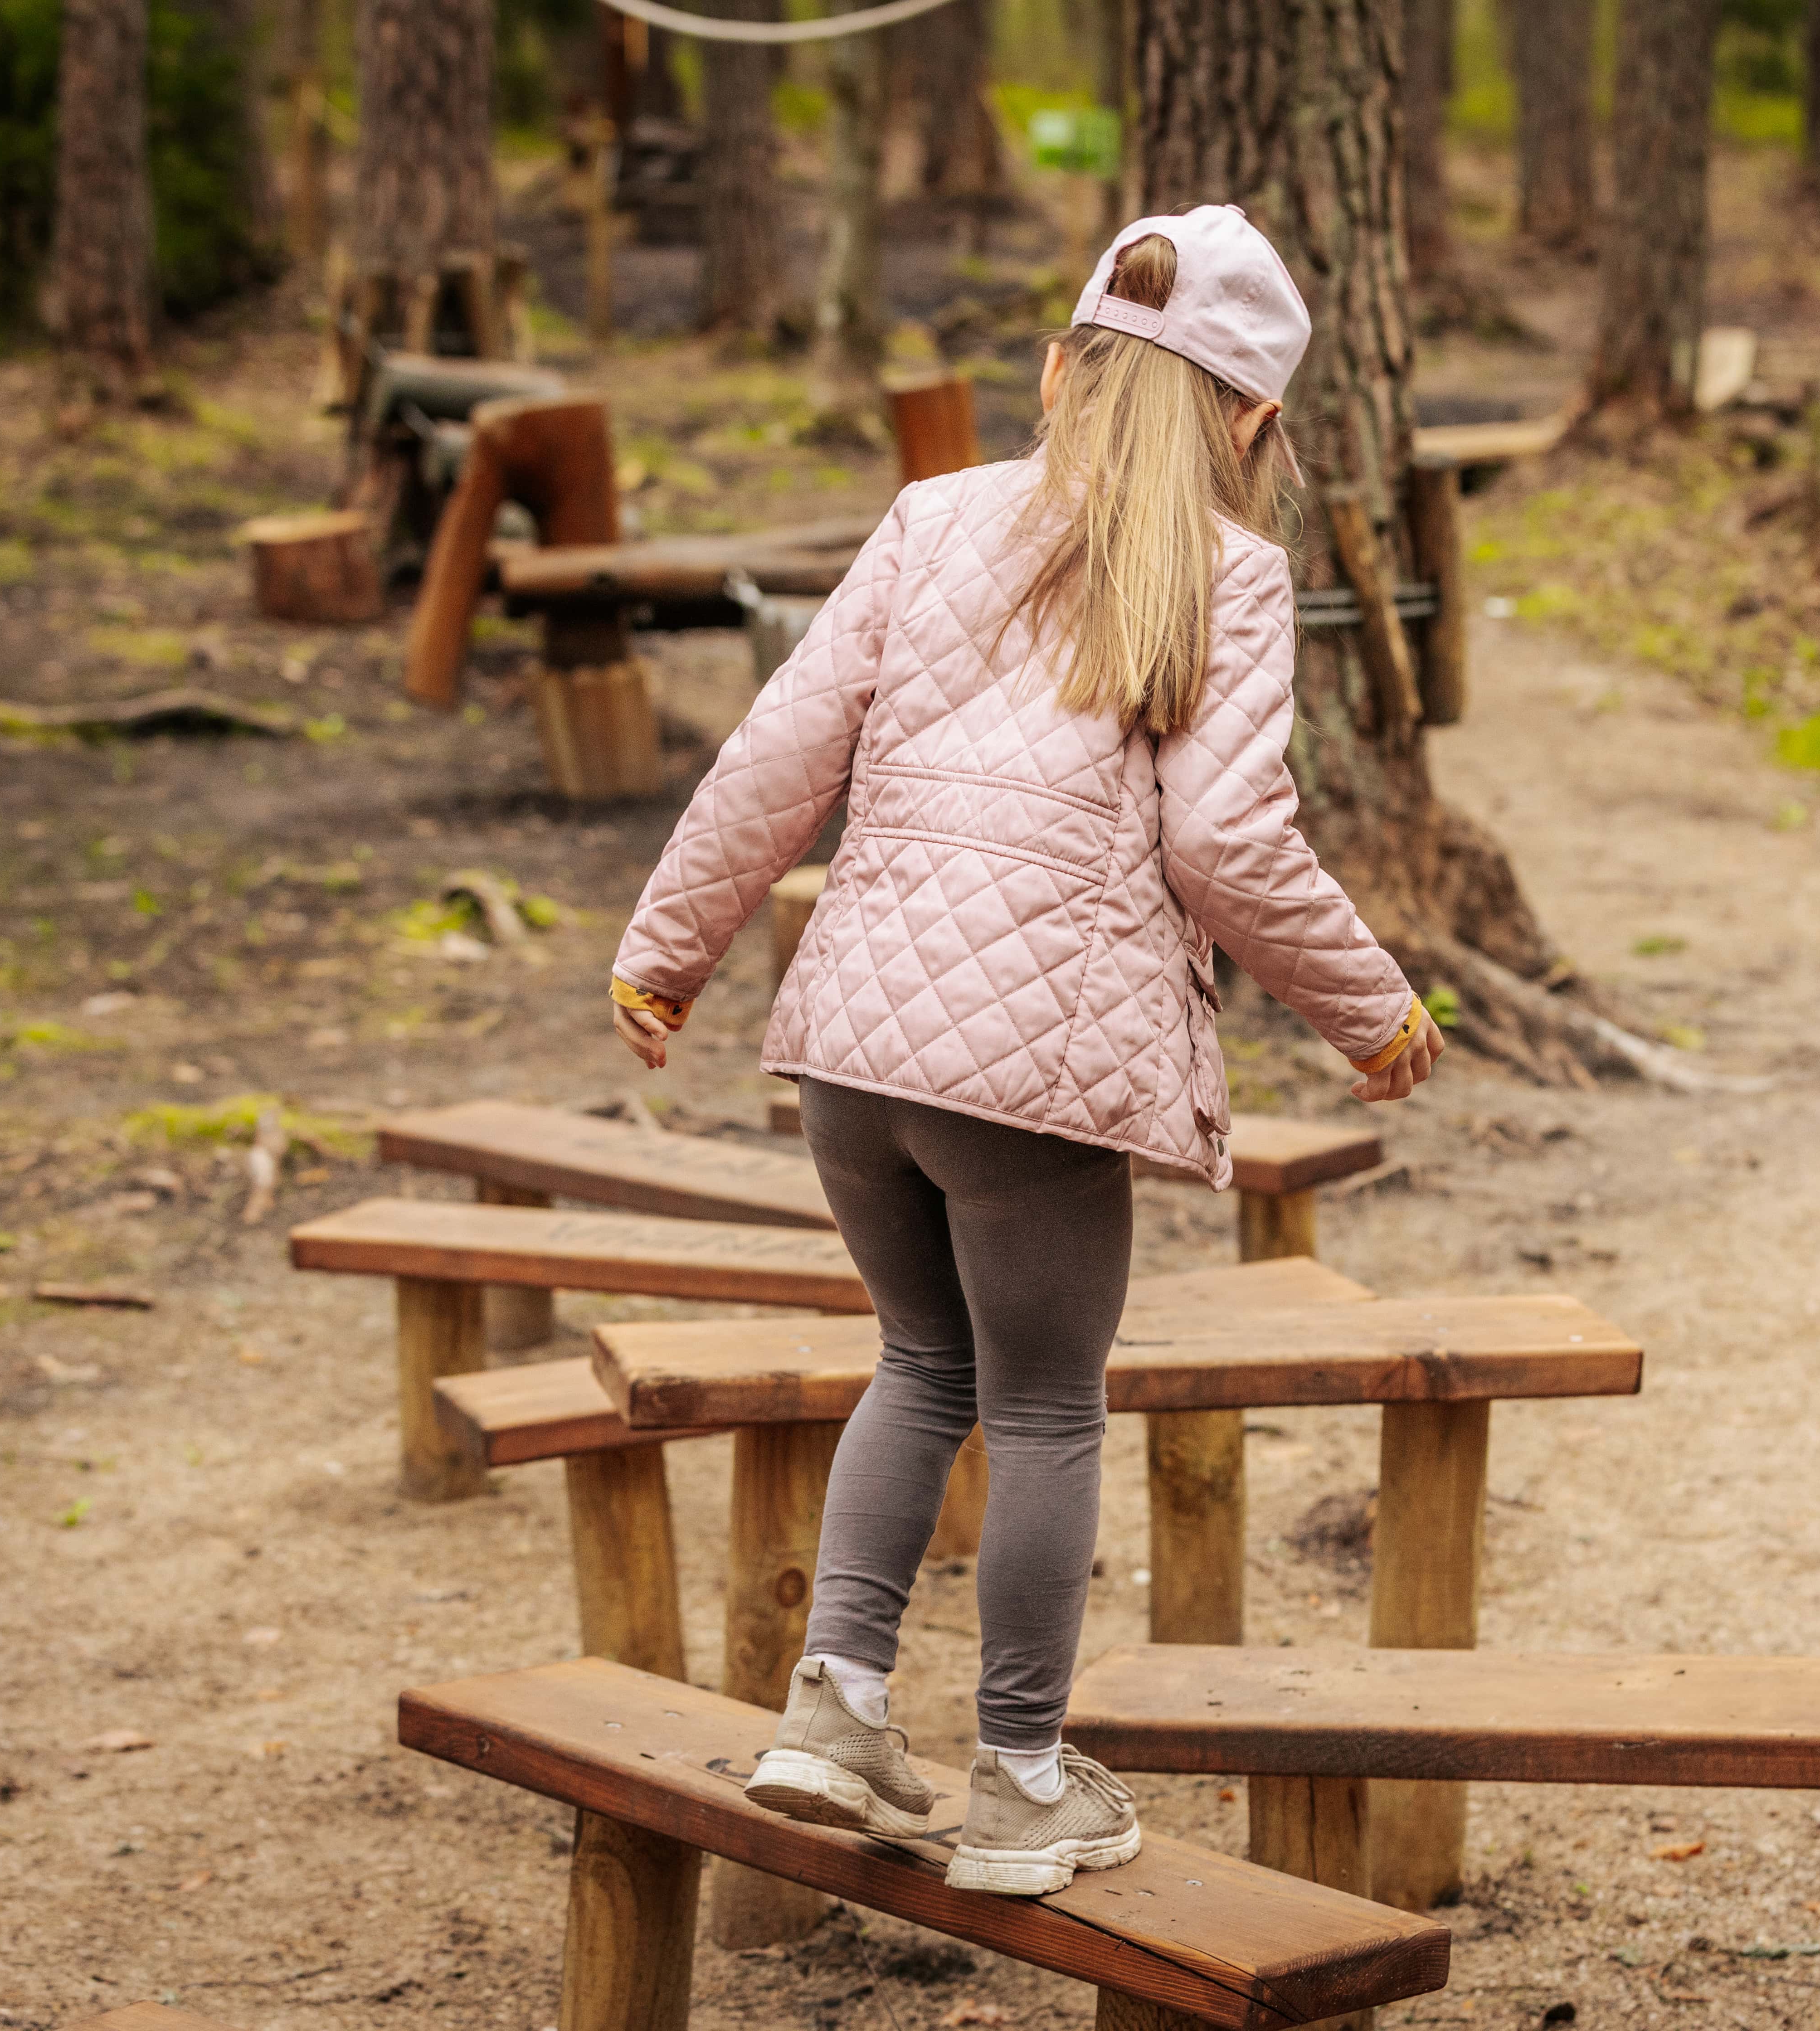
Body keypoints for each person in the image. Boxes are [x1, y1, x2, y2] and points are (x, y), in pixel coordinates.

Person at [604, 204, 1443, 1897]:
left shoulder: (933, 517)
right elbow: (1228, 843)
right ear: (1257, 424)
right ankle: (1021, 1781)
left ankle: (833, 1716)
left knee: (921, 1367)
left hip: (854, 1053)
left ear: (1061, 371)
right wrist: (1373, 1006)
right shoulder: (1240, 574)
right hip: (1032, 1073)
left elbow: (779, 752)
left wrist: (665, 951)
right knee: (1049, 1409)